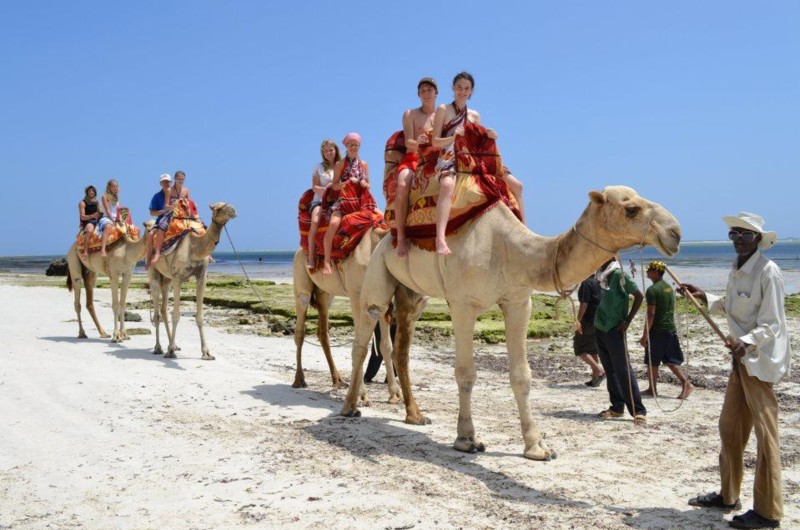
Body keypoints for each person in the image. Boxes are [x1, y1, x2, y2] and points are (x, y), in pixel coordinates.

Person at [685, 212, 790, 530]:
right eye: (734, 234)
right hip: (740, 361)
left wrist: (746, 341)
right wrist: (705, 296)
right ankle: (728, 495)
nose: (739, 239)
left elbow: (772, 324)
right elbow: (733, 306)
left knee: (765, 438)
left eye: (745, 234)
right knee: (730, 428)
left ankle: (768, 513)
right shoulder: (737, 268)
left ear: (758, 238)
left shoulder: (768, 272)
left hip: (759, 364)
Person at [431, 71, 524, 255]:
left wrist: (492, 136)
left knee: (517, 186)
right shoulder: (443, 109)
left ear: (471, 91)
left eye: (466, 88)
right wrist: (453, 137)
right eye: (459, 87)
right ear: (453, 88)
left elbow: (477, 143)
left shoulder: (474, 116)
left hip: (471, 158)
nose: (462, 91)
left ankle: (523, 229)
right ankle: (440, 238)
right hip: (448, 155)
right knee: (448, 185)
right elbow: (435, 142)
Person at [593, 258, 647, 425]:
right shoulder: (601, 275)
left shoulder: (619, 274)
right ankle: (617, 407)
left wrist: (627, 321)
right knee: (610, 369)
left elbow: (639, 296)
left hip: (615, 328)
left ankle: (638, 410)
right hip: (600, 326)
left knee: (623, 369)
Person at [395, 77, 438, 257]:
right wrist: (418, 142)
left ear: (436, 93)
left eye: (429, 90)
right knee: (402, 185)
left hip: (436, 158)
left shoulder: (442, 115)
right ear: (418, 94)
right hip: (413, 158)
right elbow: (408, 142)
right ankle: (400, 237)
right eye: (422, 91)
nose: (426, 93)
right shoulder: (410, 114)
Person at [638, 260, 693, 399]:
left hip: (658, 330)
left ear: (655, 272)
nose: (647, 272)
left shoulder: (652, 290)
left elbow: (651, 314)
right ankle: (685, 384)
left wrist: (645, 335)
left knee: (652, 361)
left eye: (649, 270)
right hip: (670, 328)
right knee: (671, 360)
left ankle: (652, 389)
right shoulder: (668, 287)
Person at [322, 132, 369, 275]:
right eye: (351, 145)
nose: (353, 147)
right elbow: (334, 186)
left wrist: (364, 183)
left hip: (360, 201)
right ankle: (326, 261)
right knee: (333, 223)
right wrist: (347, 182)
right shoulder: (340, 164)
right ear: (346, 146)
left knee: (380, 219)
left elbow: (368, 184)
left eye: (356, 145)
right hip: (343, 201)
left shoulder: (364, 164)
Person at [306, 139, 341, 268]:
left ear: (336, 150)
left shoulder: (342, 165)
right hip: (320, 201)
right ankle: (311, 257)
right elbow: (315, 187)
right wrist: (327, 189)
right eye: (326, 151)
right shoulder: (319, 167)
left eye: (331, 150)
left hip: (337, 201)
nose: (328, 153)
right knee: (315, 221)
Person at [574, 274, 605, 387]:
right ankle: (595, 379)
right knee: (592, 350)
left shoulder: (586, 283)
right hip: (598, 320)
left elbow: (584, 304)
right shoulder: (599, 282)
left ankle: (599, 370)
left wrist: (578, 321)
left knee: (580, 349)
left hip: (587, 321)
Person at [145, 174, 174, 269]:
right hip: (161, 220)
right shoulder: (156, 196)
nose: (166, 183)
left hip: (176, 219)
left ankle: (205, 255)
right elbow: (152, 213)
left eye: (167, 182)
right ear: (160, 184)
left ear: (171, 182)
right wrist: (161, 212)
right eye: (164, 182)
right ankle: (148, 259)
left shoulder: (176, 193)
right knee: (150, 235)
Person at [97, 179, 121, 257]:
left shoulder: (116, 197)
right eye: (113, 186)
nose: (115, 188)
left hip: (116, 218)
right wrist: (113, 221)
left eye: (116, 186)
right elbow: (107, 210)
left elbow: (119, 209)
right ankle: (103, 249)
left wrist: (121, 219)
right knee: (108, 227)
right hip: (107, 217)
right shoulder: (104, 196)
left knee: (132, 229)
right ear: (109, 187)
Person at [78, 185, 101, 258]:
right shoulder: (82, 203)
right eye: (90, 191)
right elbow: (82, 217)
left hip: (98, 220)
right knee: (89, 230)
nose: (91, 192)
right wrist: (92, 216)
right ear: (87, 192)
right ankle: (85, 252)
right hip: (88, 221)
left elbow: (100, 212)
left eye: (93, 190)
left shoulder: (97, 202)